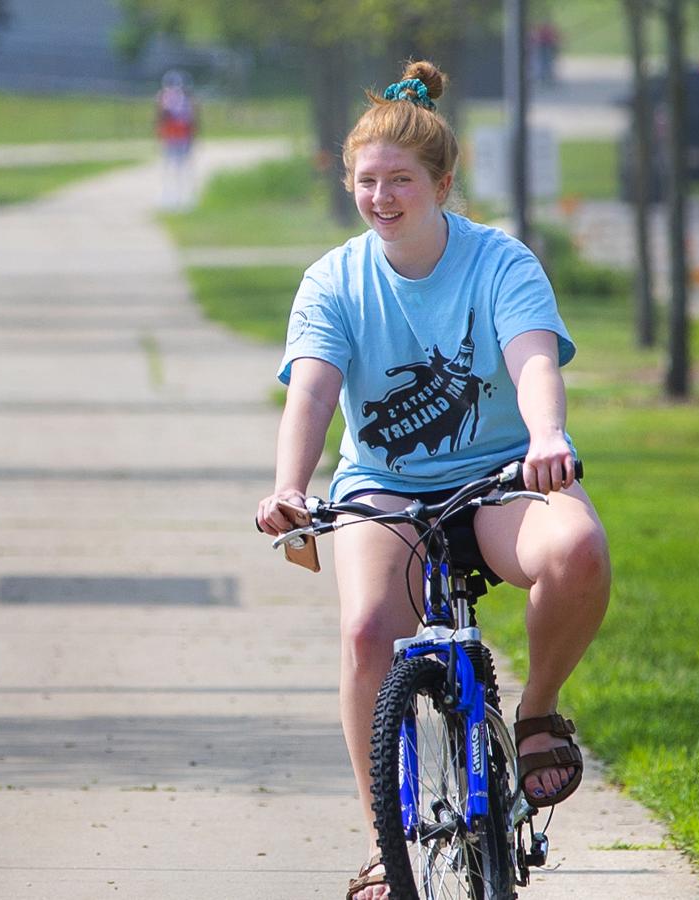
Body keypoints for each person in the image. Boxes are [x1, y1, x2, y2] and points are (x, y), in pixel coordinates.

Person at [249, 61, 610, 900]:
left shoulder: (500, 263)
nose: (382, 197)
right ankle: (385, 841)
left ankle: (537, 714)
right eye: (366, 181)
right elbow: (312, 390)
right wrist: (289, 486)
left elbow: (531, 361)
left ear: (443, 184)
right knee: (369, 632)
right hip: (383, 488)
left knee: (580, 547)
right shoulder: (333, 281)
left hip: (498, 478)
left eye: (400, 181)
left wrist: (548, 435)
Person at [155, 69, 200, 210]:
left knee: (181, 169)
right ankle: (171, 196)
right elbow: (161, 118)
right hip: (172, 137)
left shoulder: (186, 100)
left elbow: (192, 121)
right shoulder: (166, 99)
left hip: (180, 137)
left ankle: (185, 197)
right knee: (171, 168)